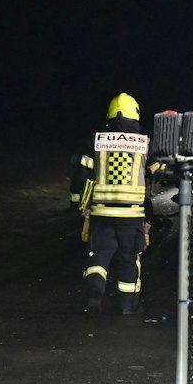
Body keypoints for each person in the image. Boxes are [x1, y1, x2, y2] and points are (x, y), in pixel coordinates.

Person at [74, 93, 160, 315]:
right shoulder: (144, 143)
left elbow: (81, 174)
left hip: (101, 212)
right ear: (136, 114)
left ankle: (94, 294)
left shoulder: (96, 140)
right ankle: (128, 306)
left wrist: (78, 203)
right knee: (129, 259)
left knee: (99, 255)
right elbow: (155, 170)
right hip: (132, 215)